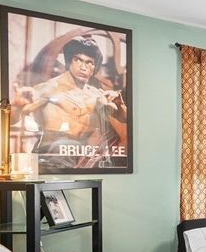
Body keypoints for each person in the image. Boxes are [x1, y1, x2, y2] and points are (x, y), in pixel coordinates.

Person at [19, 36, 127, 166]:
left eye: (89, 62)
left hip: (82, 159)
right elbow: (16, 118)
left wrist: (119, 105)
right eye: (78, 60)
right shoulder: (48, 89)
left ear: (95, 67)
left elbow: (123, 119)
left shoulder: (96, 94)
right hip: (52, 159)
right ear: (69, 62)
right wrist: (16, 108)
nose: (83, 67)